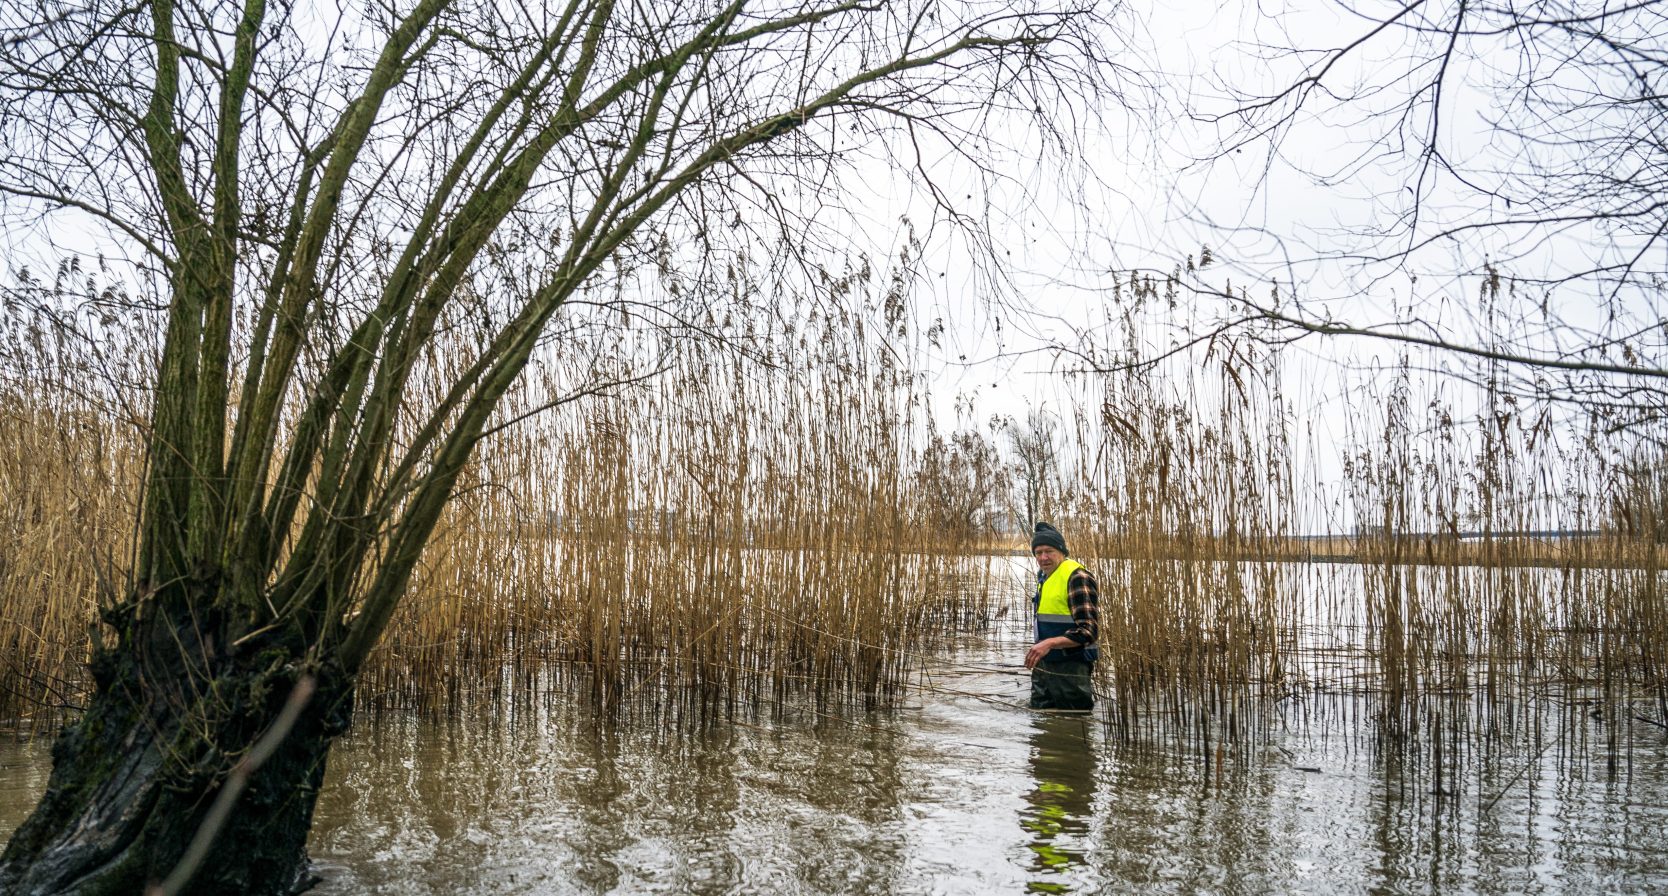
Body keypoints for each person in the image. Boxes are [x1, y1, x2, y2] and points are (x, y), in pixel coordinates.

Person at [1023, 522, 1099, 710]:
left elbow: (1089, 631)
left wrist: (1049, 643)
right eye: (1038, 552)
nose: (1043, 557)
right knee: (1042, 727)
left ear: (1062, 552)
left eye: (1049, 551)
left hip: (1071, 668)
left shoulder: (1077, 577)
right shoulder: (1045, 577)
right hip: (1044, 664)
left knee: (1074, 724)